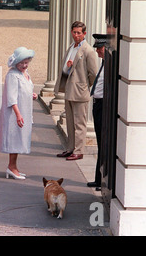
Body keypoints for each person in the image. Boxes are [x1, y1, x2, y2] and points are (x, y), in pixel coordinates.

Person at [54, 21, 98, 161]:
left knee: (80, 123)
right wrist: (68, 67)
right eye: (74, 32)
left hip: (80, 92)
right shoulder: (71, 47)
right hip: (69, 90)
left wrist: (84, 86)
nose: (76, 35)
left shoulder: (88, 50)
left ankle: (79, 151)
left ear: (84, 34)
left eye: (79, 33)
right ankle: (70, 148)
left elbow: (94, 74)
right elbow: (67, 69)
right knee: (70, 122)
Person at [0, 47, 37, 180]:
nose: (24, 65)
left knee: (19, 139)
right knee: (15, 139)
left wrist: (31, 95)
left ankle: (14, 166)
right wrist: (18, 114)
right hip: (16, 111)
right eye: (22, 63)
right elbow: (11, 97)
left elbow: (24, 89)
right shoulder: (13, 75)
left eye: (26, 62)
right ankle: (11, 167)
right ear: (16, 63)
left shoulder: (25, 73)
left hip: (24, 109)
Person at [87, 33, 107, 191]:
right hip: (97, 105)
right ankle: (98, 179)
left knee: (103, 143)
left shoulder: (111, 64)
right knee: (100, 142)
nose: (97, 51)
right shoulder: (105, 63)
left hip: (103, 106)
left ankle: (101, 181)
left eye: (99, 48)